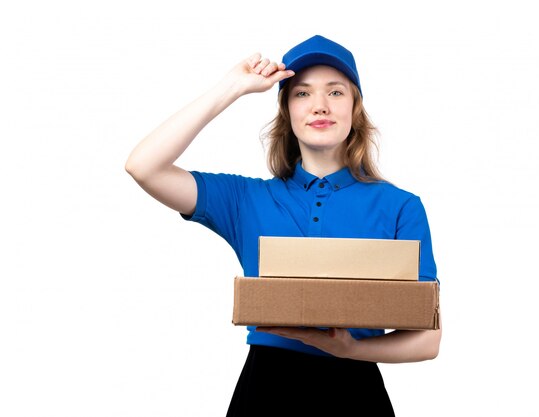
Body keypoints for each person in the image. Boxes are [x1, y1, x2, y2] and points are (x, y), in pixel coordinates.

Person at [126, 34, 441, 416]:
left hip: (355, 390)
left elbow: (427, 340)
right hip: (266, 390)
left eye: (336, 92)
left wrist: (350, 349)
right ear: (287, 111)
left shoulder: (400, 207)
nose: (320, 106)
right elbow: (144, 167)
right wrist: (233, 87)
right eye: (302, 94)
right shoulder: (246, 199)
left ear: (355, 109)